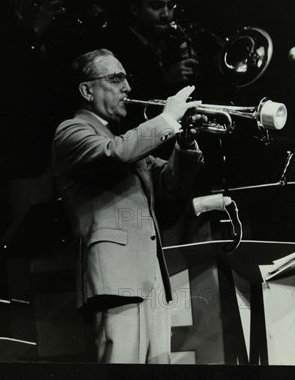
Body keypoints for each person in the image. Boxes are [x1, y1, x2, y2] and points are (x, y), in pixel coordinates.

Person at [52, 49, 205, 363]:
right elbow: (116, 153)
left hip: (150, 278)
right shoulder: (71, 131)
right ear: (87, 90)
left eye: (126, 79)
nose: (128, 89)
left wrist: (185, 142)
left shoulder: (121, 139)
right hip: (115, 278)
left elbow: (170, 185)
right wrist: (166, 119)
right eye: (115, 79)